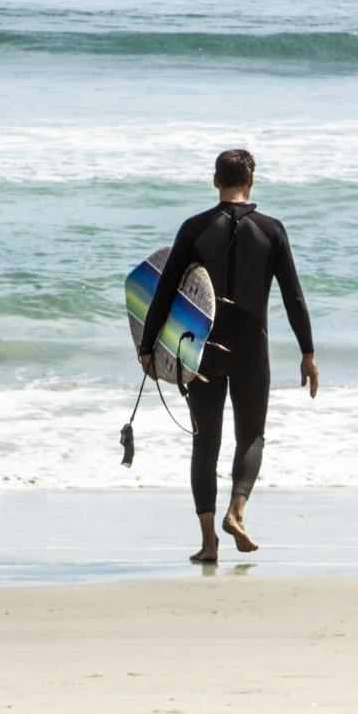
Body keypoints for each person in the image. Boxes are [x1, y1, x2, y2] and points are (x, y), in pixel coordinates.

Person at [138, 149, 319, 563]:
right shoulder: (272, 231)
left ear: (215, 180)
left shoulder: (195, 228)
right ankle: (237, 512)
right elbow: (294, 296)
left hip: (201, 348)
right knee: (251, 436)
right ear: (251, 181)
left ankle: (207, 544)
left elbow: (165, 292)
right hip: (252, 348)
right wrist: (307, 351)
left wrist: (148, 347)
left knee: (206, 442)